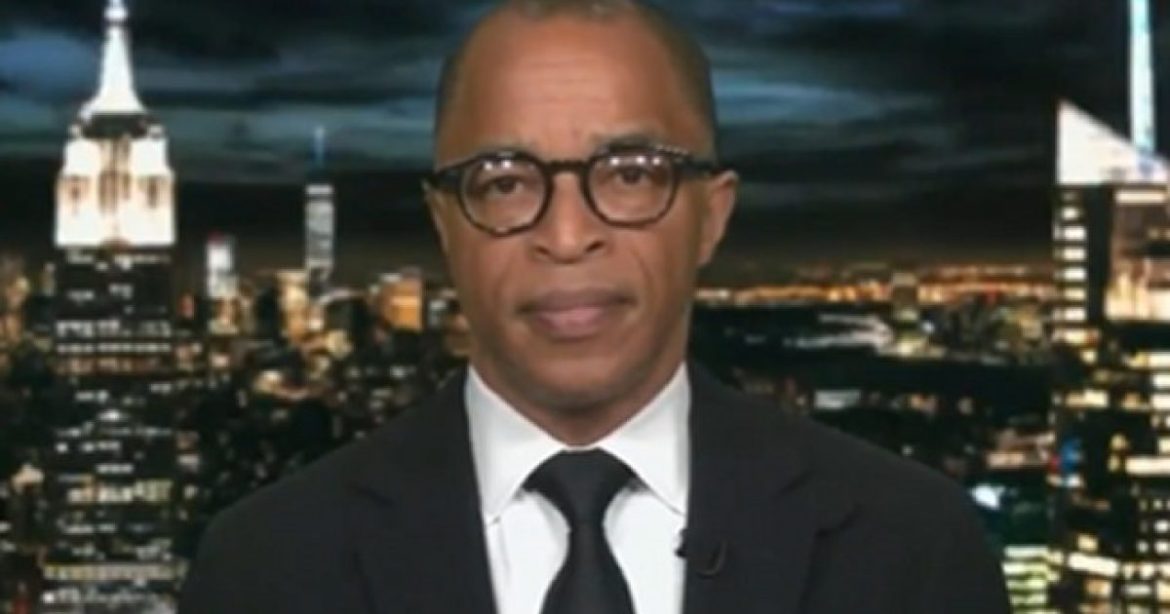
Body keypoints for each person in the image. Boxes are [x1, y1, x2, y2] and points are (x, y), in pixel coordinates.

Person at [178, 1, 1012, 612]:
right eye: (505, 182)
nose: (568, 235)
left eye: (632, 174)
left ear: (712, 214)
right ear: (445, 224)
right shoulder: (266, 568)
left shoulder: (913, 550)